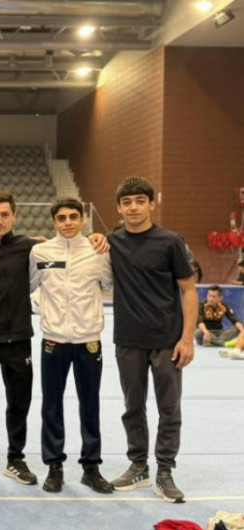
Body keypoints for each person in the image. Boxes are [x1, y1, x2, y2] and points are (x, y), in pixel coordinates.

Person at [0, 191, 107, 486]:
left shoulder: (30, 248)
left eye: (4, 215)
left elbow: (53, 261)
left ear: (14, 216)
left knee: (19, 404)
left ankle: (16, 460)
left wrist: (97, 238)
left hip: (19, 340)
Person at [107, 177, 197, 504]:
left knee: (168, 409)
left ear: (151, 204)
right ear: (119, 208)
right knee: (133, 407)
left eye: (139, 201)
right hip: (128, 340)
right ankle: (138, 466)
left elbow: (189, 290)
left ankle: (165, 471)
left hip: (167, 341)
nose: (133, 207)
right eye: (127, 202)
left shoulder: (170, 241)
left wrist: (187, 339)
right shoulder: (111, 242)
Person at [29, 198, 113, 495]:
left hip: (88, 340)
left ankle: (91, 467)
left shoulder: (97, 251)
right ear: (54, 221)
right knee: (51, 405)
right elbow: (27, 285)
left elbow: (111, 283)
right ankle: (54, 466)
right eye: (62, 218)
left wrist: (105, 241)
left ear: (82, 219)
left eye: (73, 217)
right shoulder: (40, 252)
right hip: (53, 340)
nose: (67, 222)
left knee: (90, 404)